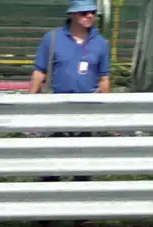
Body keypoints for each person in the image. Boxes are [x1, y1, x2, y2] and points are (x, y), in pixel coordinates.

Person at [29, 0, 110, 184]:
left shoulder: (101, 43)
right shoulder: (52, 38)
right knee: (52, 162)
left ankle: (80, 207)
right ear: (72, 15)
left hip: (87, 110)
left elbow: (104, 79)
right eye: (83, 13)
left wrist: (105, 109)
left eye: (92, 12)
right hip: (55, 108)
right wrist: (30, 106)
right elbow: (39, 72)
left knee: (82, 165)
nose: (89, 16)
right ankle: (49, 204)